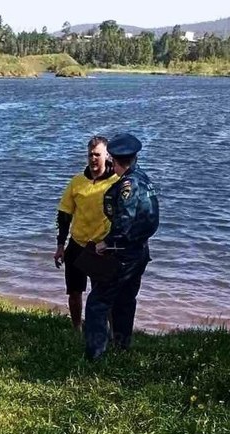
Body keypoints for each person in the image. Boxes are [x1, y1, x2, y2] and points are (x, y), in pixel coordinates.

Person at [84, 133, 159, 360]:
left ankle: (95, 356)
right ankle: (122, 346)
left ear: (114, 161)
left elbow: (124, 223)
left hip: (123, 254)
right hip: (140, 252)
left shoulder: (127, 184)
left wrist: (106, 244)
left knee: (97, 302)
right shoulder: (144, 179)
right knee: (126, 300)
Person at [55, 136, 119, 330]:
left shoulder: (117, 182)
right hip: (78, 244)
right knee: (74, 293)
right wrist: (60, 246)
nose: (93, 159)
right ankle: (76, 328)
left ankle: (112, 332)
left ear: (107, 155)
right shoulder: (77, 182)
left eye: (97, 155)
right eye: (90, 155)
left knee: (105, 293)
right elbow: (64, 214)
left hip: (102, 246)